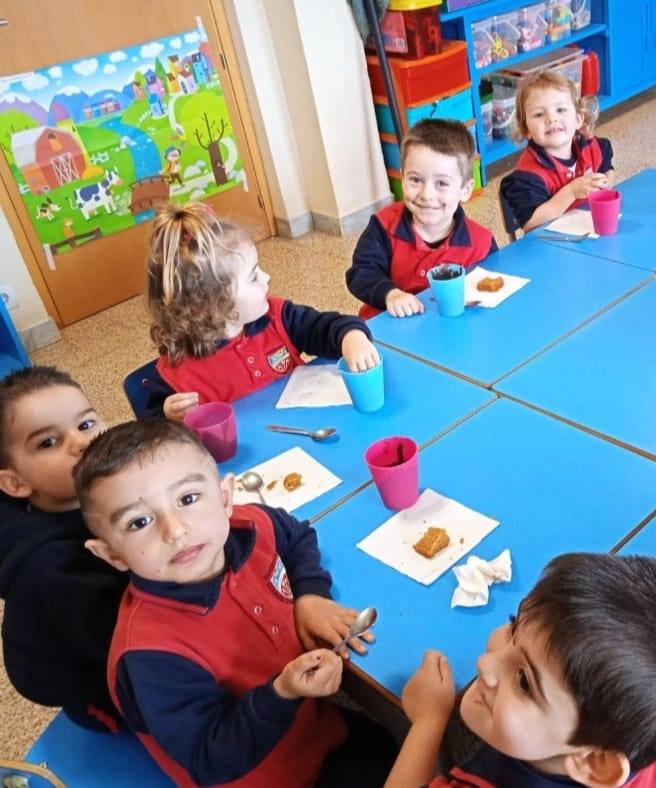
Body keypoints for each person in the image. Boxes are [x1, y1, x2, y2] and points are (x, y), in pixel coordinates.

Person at [75, 419, 393, 786]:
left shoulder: (246, 525)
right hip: (265, 775)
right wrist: (283, 693)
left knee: (388, 745)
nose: (175, 530)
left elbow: (295, 534)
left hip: (315, 728)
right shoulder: (149, 656)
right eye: (139, 521)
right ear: (112, 554)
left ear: (226, 498)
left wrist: (309, 595)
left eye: (188, 499)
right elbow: (209, 759)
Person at [385, 553, 656, 787]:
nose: (485, 663)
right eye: (513, 625)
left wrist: (428, 722)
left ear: (596, 764)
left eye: (525, 682)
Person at [143, 202, 378, 420]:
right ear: (210, 302)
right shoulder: (177, 371)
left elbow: (325, 327)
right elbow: (150, 436)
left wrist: (351, 338)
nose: (267, 277)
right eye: (253, 275)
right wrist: (168, 416)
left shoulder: (277, 316)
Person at [0, 366, 127, 731]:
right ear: (15, 482)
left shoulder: (96, 490)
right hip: (101, 688)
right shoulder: (53, 570)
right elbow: (137, 649)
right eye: (48, 442)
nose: (82, 443)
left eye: (86, 424)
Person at [347, 119, 497, 319]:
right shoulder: (384, 225)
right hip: (384, 330)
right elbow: (360, 274)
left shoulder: (482, 242)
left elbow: (495, 288)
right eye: (416, 180)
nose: (426, 194)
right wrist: (391, 294)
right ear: (402, 178)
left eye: (442, 183)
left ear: (465, 190)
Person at [499, 70, 615, 234]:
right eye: (539, 114)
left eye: (560, 110)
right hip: (549, 246)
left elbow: (607, 166)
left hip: (588, 231)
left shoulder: (590, 146)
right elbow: (530, 222)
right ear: (527, 131)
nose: (551, 119)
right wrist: (572, 192)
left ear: (578, 119)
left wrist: (607, 181)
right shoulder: (528, 176)